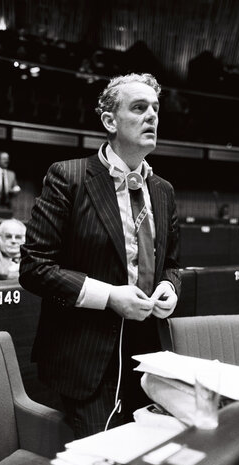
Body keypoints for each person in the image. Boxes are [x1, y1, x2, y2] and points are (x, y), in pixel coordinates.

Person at [19, 73, 181, 439]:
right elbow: (34, 267)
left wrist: (170, 289)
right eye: (139, 108)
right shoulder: (69, 177)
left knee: (148, 464)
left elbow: (171, 263)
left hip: (147, 356)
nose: (152, 116)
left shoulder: (163, 190)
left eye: (155, 108)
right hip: (87, 359)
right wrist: (109, 296)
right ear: (110, 121)